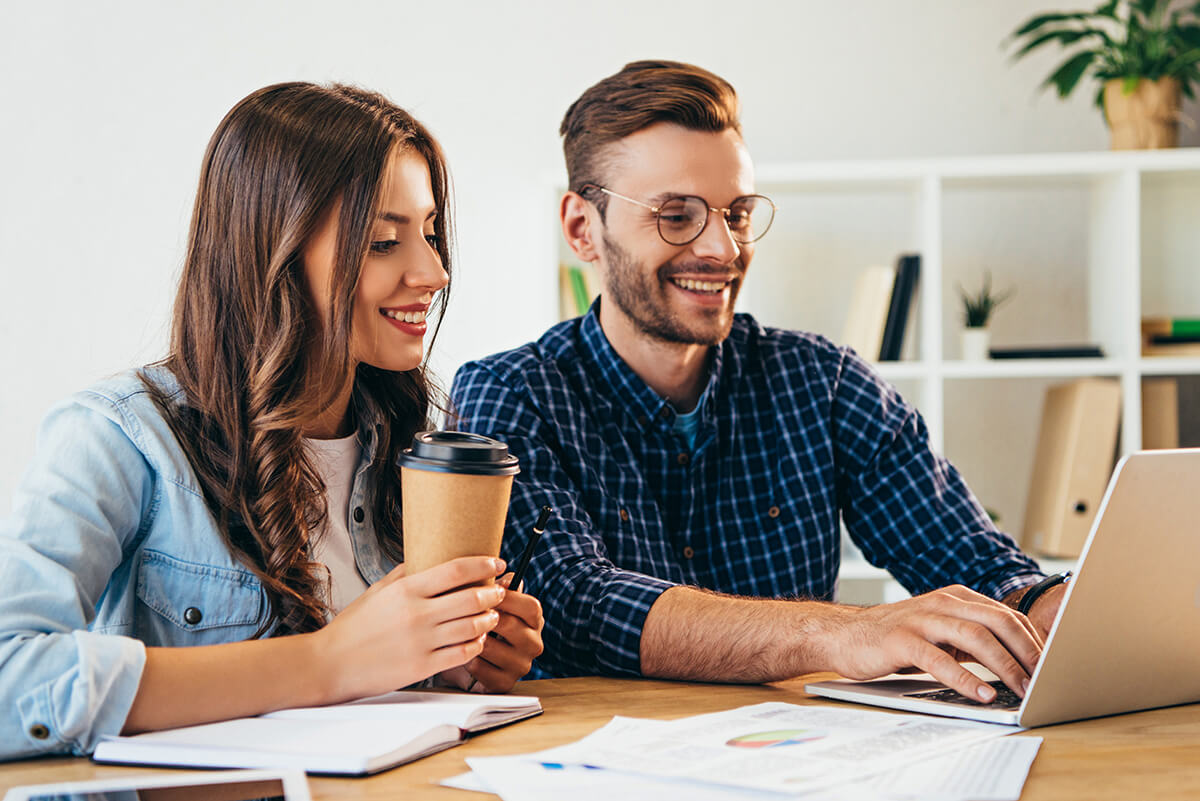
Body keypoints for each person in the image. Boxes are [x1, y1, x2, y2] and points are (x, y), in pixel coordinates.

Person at [450, 60, 1064, 704]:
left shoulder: (823, 382)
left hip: (793, 755)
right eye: (677, 214)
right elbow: (573, 601)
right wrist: (838, 633)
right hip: (587, 757)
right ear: (583, 229)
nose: (723, 248)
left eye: (737, 213)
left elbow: (973, 561)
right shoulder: (509, 393)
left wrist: (1044, 601)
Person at [0, 82, 543, 760]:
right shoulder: (117, 438)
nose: (432, 271)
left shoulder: (408, 437)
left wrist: (449, 660)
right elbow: (11, 681)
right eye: (382, 241)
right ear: (273, 252)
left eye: (430, 235)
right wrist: (327, 662)